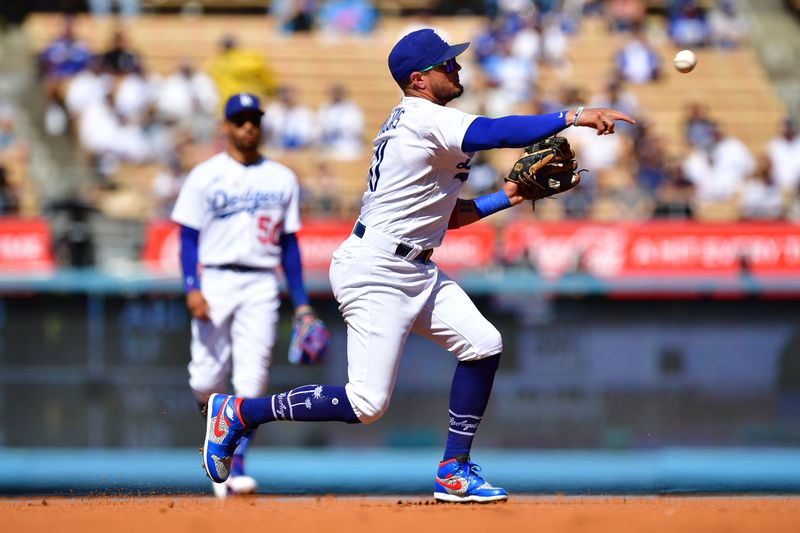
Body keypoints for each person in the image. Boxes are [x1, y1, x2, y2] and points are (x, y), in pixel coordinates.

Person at [200, 29, 633, 503]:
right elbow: (494, 132)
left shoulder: (423, 123)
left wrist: (513, 195)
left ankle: (454, 469)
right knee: (366, 404)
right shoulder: (423, 118)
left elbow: (454, 215)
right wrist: (572, 116)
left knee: (484, 344)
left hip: (414, 268)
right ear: (419, 79)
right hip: (377, 270)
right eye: (446, 64)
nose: (457, 68)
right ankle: (239, 412)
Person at [172, 93, 319, 498]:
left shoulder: (282, 177)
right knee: (204, 377)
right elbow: (187, 237)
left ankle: (234, 466)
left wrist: (302, 301)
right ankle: (216, 438)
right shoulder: (204, 175)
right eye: (240, 120)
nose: (248, 126)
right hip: (215, 279)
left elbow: (290, 245)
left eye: (254, 119)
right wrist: (192, 286)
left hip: (261, 282)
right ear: (226, 127)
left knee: (252, 383)